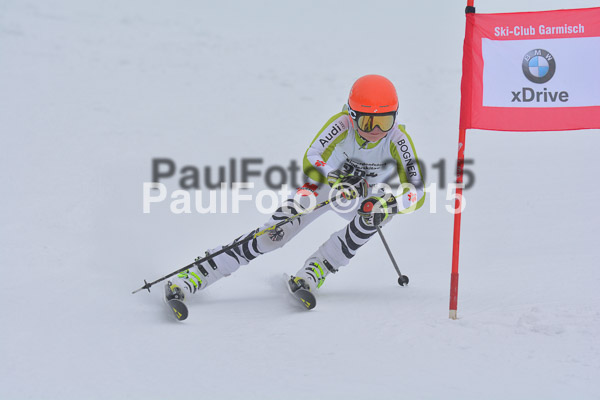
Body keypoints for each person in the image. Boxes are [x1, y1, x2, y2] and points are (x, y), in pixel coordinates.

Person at [165, 74, 426, 304]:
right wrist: (336, 179)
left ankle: (318, 268)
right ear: (353, 115)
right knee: (274, 234)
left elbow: (417, 190)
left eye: (385, 121)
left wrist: (389, 204)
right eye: (369, 123)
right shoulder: (342, 124)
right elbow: (311, 157)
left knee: (376, 212)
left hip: (360, 198)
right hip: (324, 185)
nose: (376, 131)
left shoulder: (397, 139)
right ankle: (199, 273)